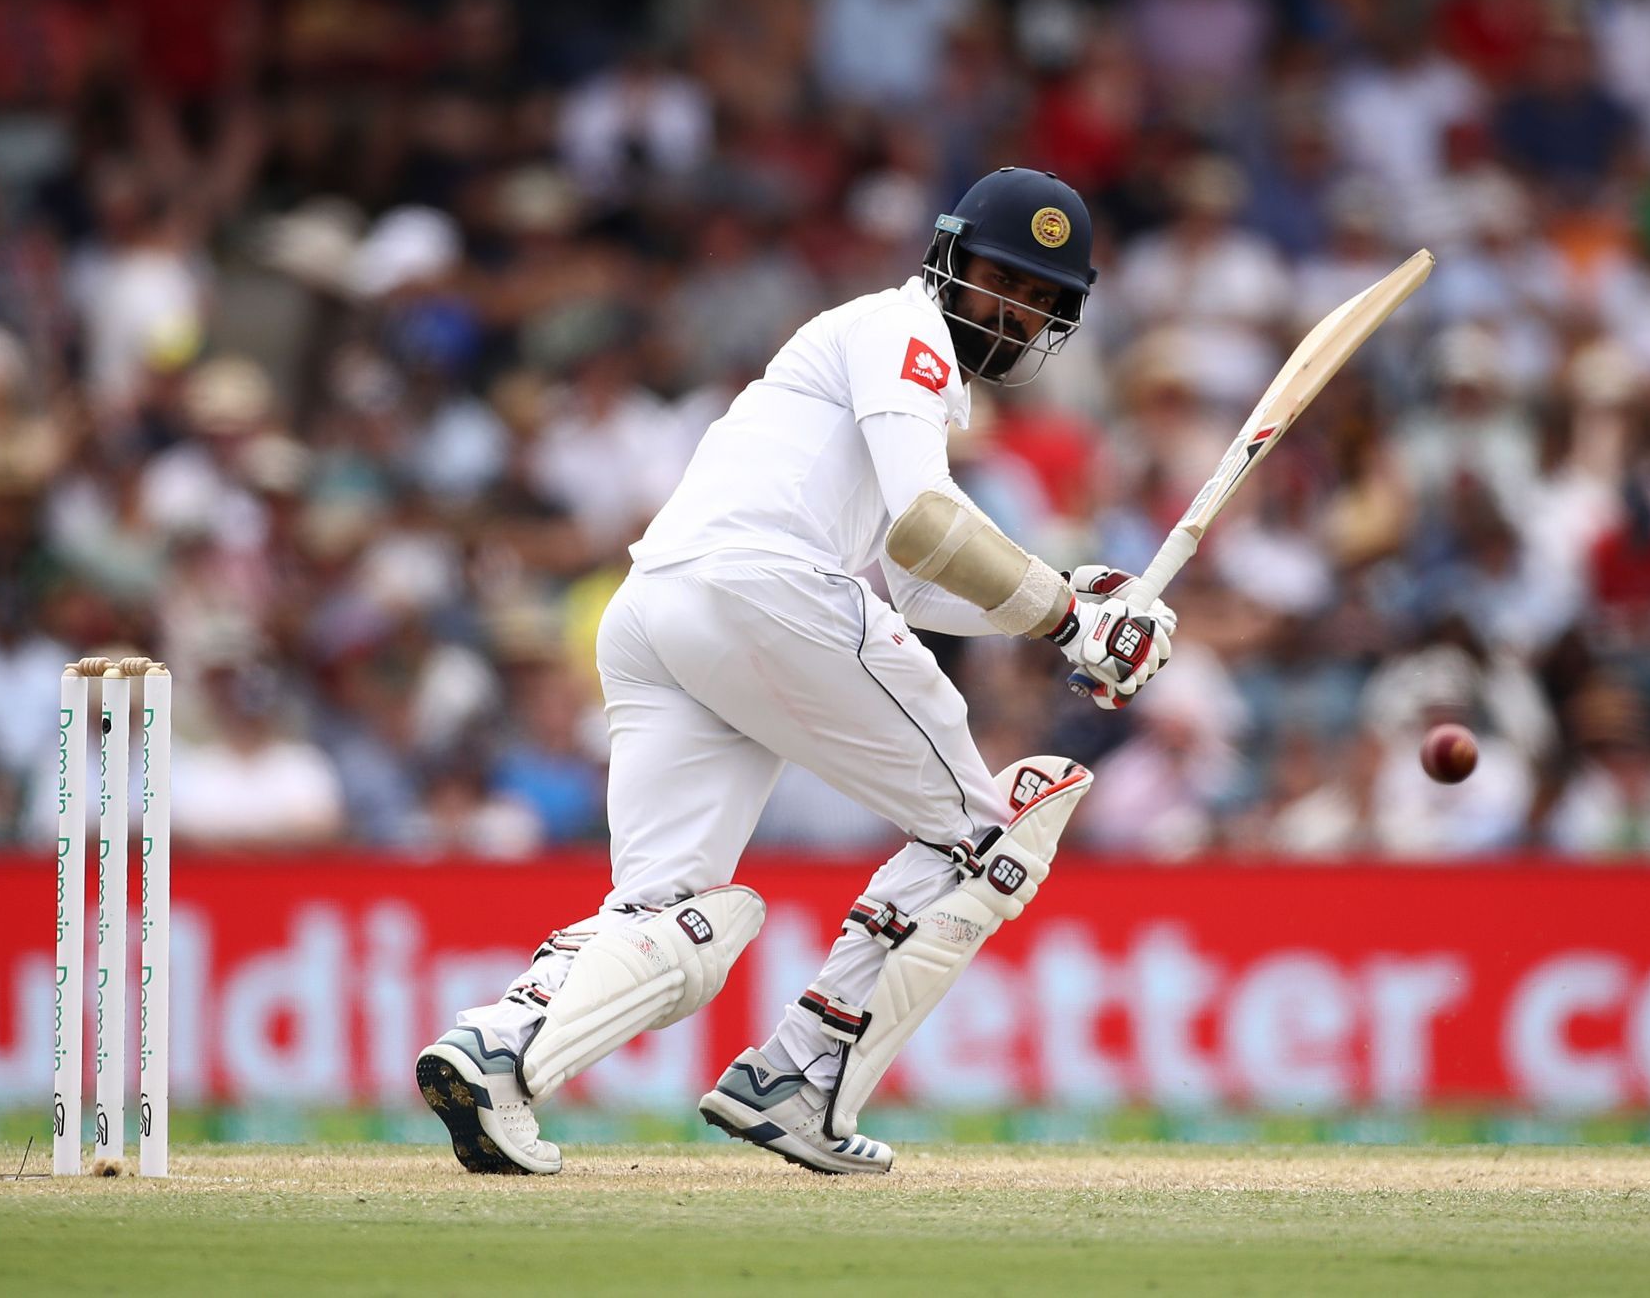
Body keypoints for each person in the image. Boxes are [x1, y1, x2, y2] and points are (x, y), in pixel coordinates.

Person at [415, 168, 1176, 1176]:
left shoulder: (888, 365)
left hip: (664, 606)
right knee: (987, 838)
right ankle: (799, 1075)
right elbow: (929, 521)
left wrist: (1071, 606)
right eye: (1004, 279)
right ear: (948, 261)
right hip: (766, 591)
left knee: (673, 916)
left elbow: (920, 579)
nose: (1017, 310)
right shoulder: (904, 336)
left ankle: (501, 1049)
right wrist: (1074, 618)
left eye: (1042, 299)